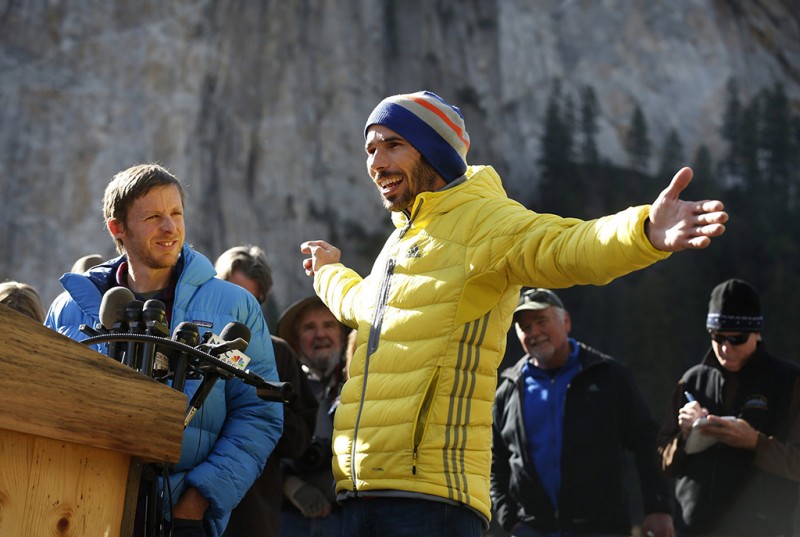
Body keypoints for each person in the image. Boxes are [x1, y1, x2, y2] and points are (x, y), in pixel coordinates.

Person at [299, 90, 727, 536]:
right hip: (359, 493)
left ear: (434, 150)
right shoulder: (401, 242)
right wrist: (329, 272)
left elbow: (565, 246)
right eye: (370, 149)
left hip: (430, 500)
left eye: (393, 144)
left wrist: (644, 232)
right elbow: (362, 306)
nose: (377, 162)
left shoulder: (486, 220)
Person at [45, 164, 284, 537]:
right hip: (77, 507)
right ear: (117, 228)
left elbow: (260, 412)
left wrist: (199, 498)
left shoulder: (235, 306)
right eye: (154, 217)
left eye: (176, 214)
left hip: (179, 515)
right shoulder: (68, 308)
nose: (170, 228)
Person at [491, 288, 674, 537]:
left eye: (541, 321)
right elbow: (495, 461)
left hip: (602, 528)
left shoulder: (608, 375)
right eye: (524, 327)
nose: (533, 332)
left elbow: (646, 442)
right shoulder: (507, 391)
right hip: (531, 530)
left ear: (565, 321)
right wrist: (509, 518)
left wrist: (658, 507)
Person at [657, 278, 800, 537]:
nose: (725, 348)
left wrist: (755, 443)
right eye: (717, 337)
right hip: (695, 529)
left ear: (757, 333)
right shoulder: (692, 380)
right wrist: (686, 436)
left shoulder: (789, 382)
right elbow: (661, 462)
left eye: (737, 338)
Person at [215, 245, 319, 537]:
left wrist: (259, 398)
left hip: (253, 514)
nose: (240, 311)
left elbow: (298, 441)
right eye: (231, 296)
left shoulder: (277, 354)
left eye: (251, 301)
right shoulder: (192, 341)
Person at [276, 295, 349, 537]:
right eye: (310, 327)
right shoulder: (282, 386)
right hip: (289, 517)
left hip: (349, 515)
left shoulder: (361, 383)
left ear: (342, 335)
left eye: (329, 325)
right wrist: (292, 487)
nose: (320, 335)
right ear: (296, 342)